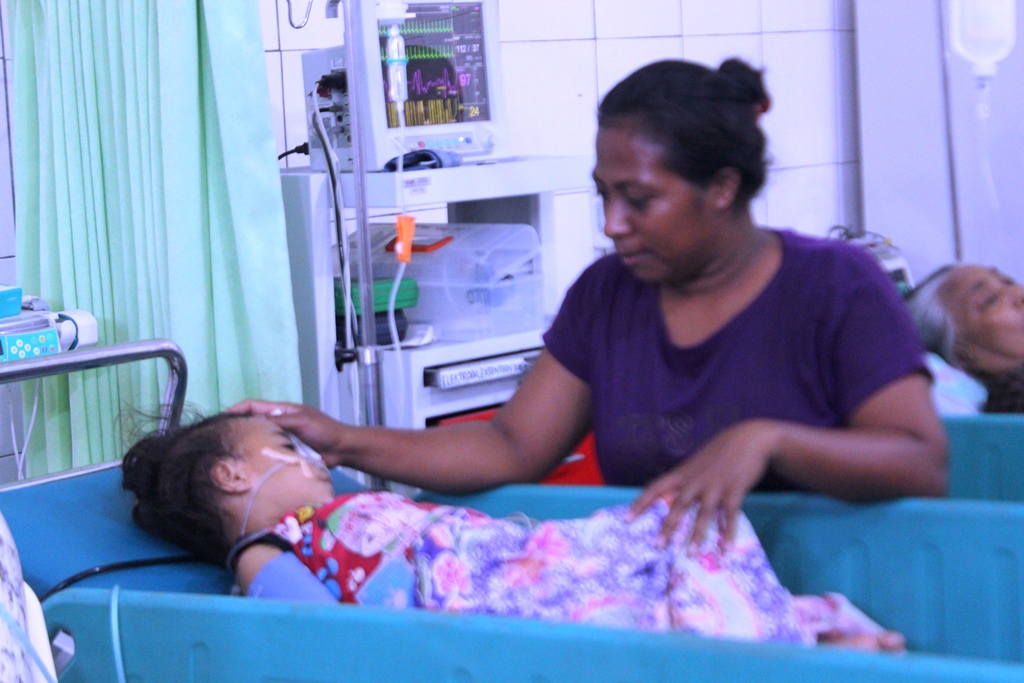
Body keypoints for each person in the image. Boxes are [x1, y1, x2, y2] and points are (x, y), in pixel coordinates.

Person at [234, 58, 947, 549]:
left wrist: (767, 439)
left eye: (638, 199)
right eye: (603, 193)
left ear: (723, 186)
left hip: (840, 599)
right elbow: (510, 445)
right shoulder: (610, 296)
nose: (612, 222)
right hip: (682, 602)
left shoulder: (835, 286)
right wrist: (342, 437)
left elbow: (919, 460)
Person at [121, 413, 905, 649]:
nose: (312, 459)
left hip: (510, 558)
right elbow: (322, 631)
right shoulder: (268, 548)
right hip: (472, 597)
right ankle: (781, 647)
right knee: (662, 570)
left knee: (684, 521)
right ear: (231, 477)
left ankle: (784, 641)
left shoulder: (337, 507)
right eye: (284, 449)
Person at [907, 264, 1024, 412]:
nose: (1020, 293)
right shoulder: (1014, 401)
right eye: (990, 300)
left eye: (1009, 281)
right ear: (960, 353)